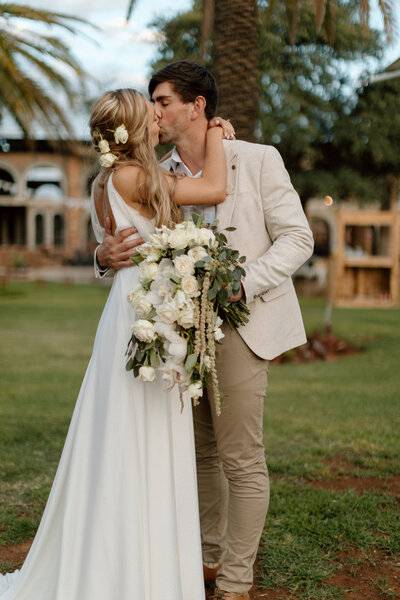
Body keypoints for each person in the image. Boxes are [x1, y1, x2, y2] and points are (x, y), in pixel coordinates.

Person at [0, 88, 233, 600]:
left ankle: (129, 555)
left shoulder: (108, 179)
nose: (158, 122)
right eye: (150, 116)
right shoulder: (134, 176)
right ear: (133, 126)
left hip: (133, 312)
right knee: (142, 432)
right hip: (144, 315)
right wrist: (215, 129)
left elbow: (117, 244)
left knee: (129, 433)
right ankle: (135, 570)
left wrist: (107, 257)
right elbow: (215, 188)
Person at [96, 62, 314, 600]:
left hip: (241, 325)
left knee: (241, 458)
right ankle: (207, 560)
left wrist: (243, 285)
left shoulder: (258, 159)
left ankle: (236, 581)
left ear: (198, 106)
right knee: (198, 454)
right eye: (151, 103)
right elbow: (113, 238)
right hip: (175, 335)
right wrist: (101, 257)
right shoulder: (153, 169)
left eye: (164, 100)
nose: (156, 111)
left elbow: (297, 238)